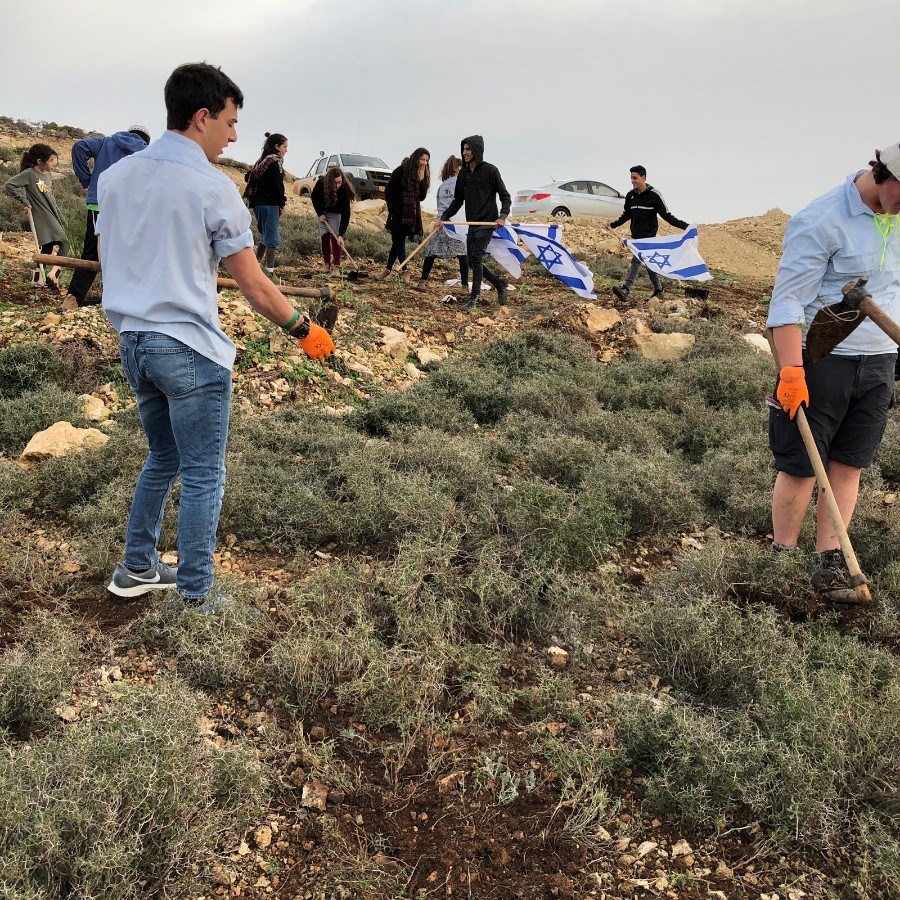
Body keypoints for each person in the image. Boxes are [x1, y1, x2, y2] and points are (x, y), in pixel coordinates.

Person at [98, 63, 332, 612]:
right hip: (186, 348)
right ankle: (198, 596)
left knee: (163, 457)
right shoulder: (212, 188)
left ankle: (136, 567)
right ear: (201, 117)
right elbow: (253, 283)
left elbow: (109, 263)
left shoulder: (116, 178)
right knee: (204, 473)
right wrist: (304, 329)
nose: (233, 136)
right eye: (229, 122)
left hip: (133, 342)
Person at [767, 140, 900, 602]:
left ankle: (828, 561)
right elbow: (786, 301)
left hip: (881, 359)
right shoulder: (821, 219)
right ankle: (781, 559)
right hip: (822, 357)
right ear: (886, 175)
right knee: (802, 465)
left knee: (848, 464)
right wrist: (791, 370)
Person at [65, 126, 150, 309]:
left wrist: (86, 180)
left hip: (100, 203)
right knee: (129, 250)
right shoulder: (146, 151)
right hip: (128, 208)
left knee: (91, 251)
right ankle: (126, 299)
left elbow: (79, 147)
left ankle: (73, 299)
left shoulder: (106, 142)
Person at [435, 135, 510, 312]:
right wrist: (443, 217)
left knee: (476, 257)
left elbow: (505, 196)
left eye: (468, 149)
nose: (465, 152)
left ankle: (474, 299)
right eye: (464, 149)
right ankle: (499, 283)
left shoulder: (491, 171)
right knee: (471, 261)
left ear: (477, 150)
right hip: (473, 222)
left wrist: (502, 216)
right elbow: (458, 200)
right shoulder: (464, 173)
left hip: (488, 222)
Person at [607, 165, 689, 302]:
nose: (632, 181)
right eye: (631, 178)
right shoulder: (630, 195)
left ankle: (626, 289)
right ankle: (659, 289)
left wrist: (686, 226)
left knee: (636, 260)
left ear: (643, 178)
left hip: (649, 237)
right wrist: (612, 225)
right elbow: (627, 214)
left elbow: (667, 216)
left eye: (635, 178)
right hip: (636, 236)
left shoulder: (655, 195)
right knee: (648, 263)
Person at [4, 144, 66, 289]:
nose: (54, 164)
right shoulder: (30, 174)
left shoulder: (48, 175)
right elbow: (9, 185)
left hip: (51, 214)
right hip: (41, 215)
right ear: (39, 161)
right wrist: (24, 201)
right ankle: (54, 274)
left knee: (47, 248)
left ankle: (37, 280)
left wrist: (61, 216)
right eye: (51, 161)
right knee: (65, 243)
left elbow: (52, 198)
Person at [411, 154, 469, 294]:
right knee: (462, 254)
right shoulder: (461, 182)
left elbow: (440, 205)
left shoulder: (442, 186)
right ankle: (465, 287)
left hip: (441, 222)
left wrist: (440, 220)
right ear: (458, 167)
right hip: (456, 224)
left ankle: (423, 282)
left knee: (431, 253)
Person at [373, 148, 430, 281]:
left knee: (397, 242)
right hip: (397, 213)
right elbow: (389, 191)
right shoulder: (401, 170)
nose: (424, 163)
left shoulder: (422, 174)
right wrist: (392, 210)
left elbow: (421, 197)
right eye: (422, 159)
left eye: (427, 160)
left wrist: (422, 178)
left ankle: (387, 271)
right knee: (398, 242)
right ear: (416, 158)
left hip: (410, 215)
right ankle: (405, 270)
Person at [243, 132, 288, 275]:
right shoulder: (275, 162)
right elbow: (277, 185)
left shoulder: (261, 161)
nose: (286, 150)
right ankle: (269, 271)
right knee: (272, 238)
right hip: (270, 204)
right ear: (277, 146)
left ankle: (255, 265)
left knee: (264, 235)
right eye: (285, 146)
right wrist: (282, 202)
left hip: (257, 204)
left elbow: (248, 177)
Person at [311, 166, 355, 274]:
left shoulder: (344, 190)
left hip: (336, 215)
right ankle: (326, 265)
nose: (337, 185)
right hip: (323, 213)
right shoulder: (321, 183)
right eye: (335, 183)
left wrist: (341, 234)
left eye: (339, 182)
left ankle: (336, 267)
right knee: (324, 238)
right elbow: (314, 197)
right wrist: (319, 214)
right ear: (329, 182)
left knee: (335, 240)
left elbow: (346, 214)